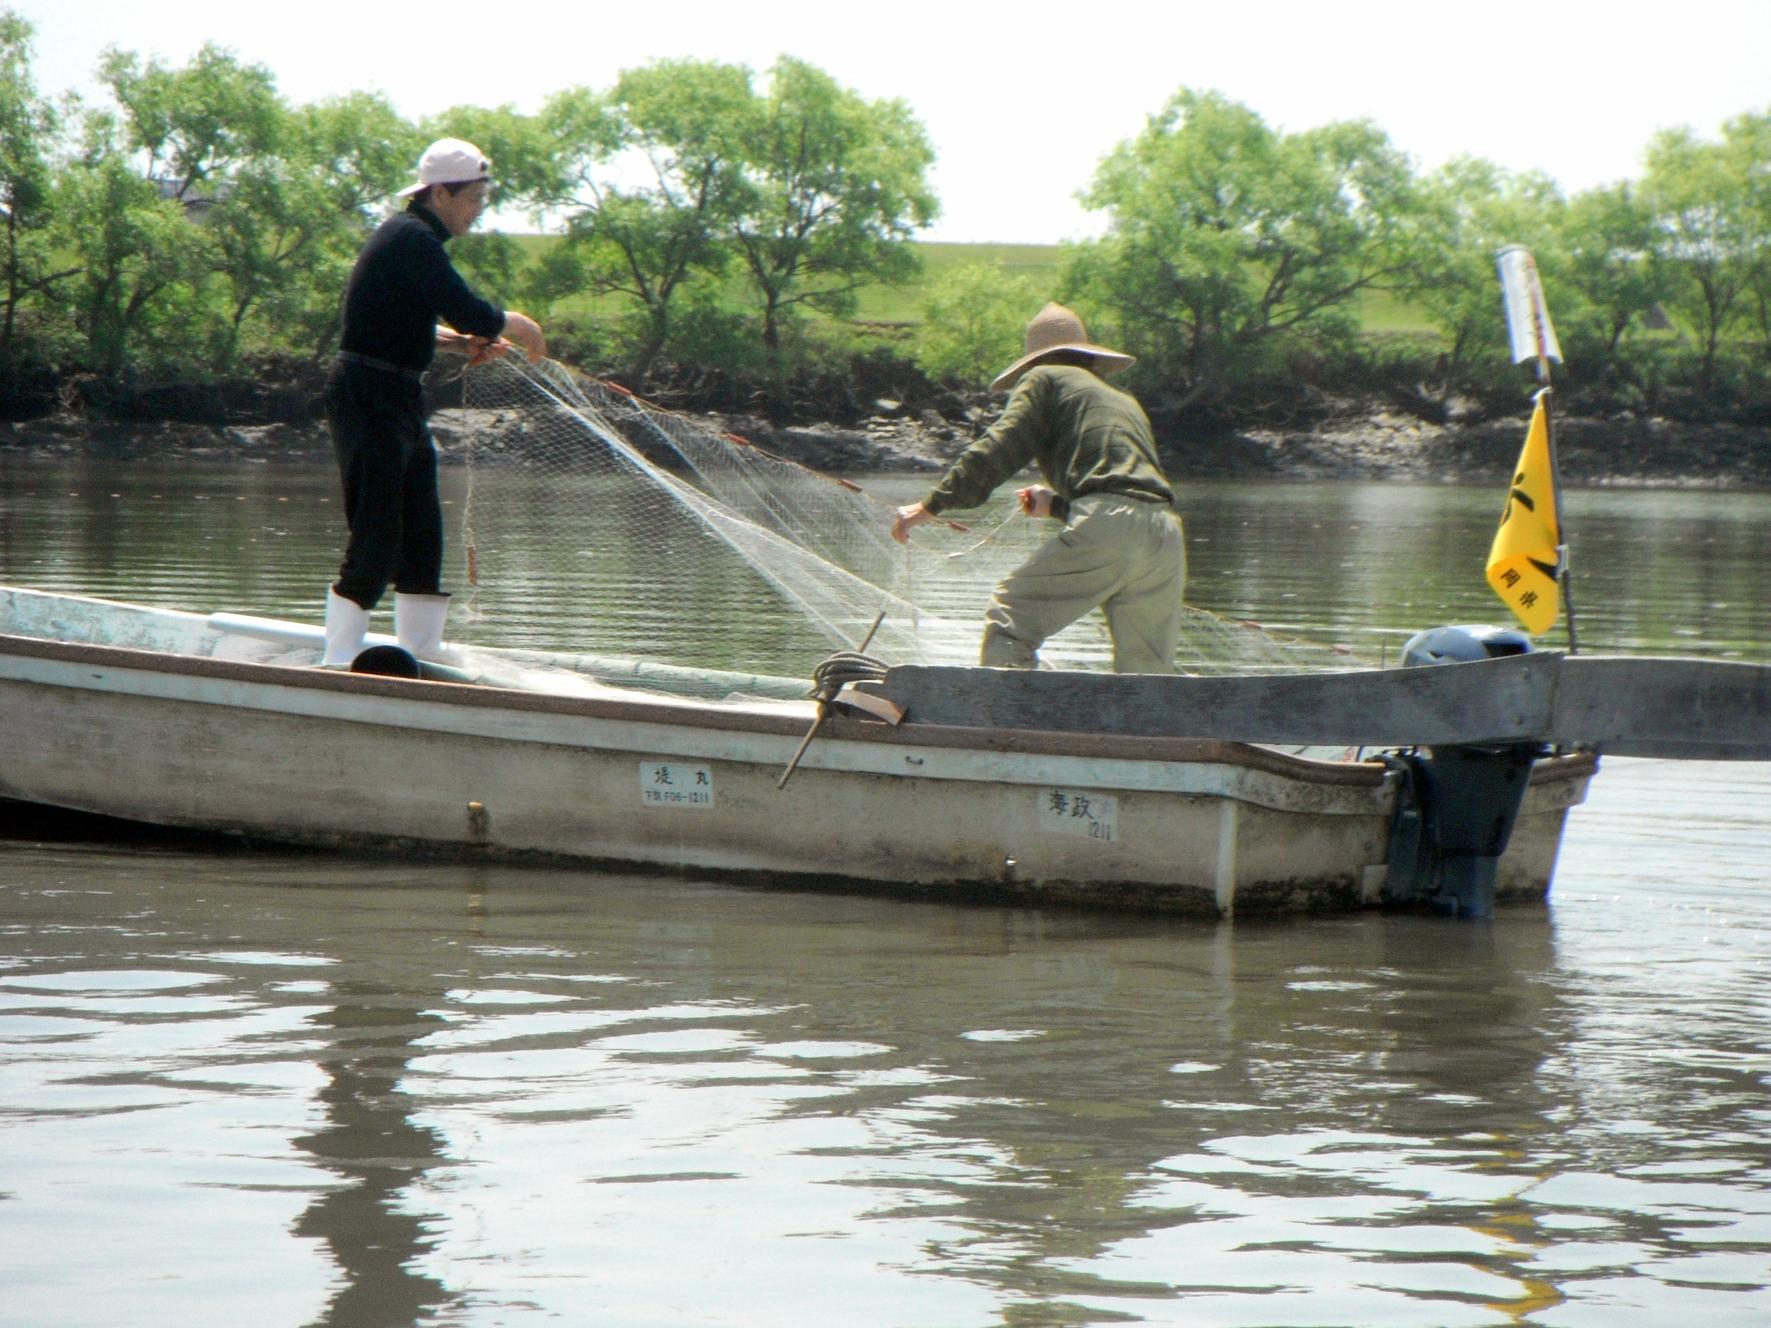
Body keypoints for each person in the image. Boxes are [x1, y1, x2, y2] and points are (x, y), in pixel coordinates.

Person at [321, 137, 547, 668]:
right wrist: (519, 326)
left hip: (398, 395)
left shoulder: (414, 242)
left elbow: (404, 316)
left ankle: (421, 653)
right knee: (377, 532)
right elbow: (468, 308)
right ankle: (338, 656)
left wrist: (456, 343)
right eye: (473, 200)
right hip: (367, 394)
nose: (478, 211)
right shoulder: (412, 238)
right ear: (439, 192)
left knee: (422, 533)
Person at [892, 302, 1185, 673]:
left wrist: (930, 506)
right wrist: (1060, 507)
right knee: (1147, 672)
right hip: (1166, 532)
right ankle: (1150, 731)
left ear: (1033, 361)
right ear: (1088, 357)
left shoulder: (1044, 377)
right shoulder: (1123, 399)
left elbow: (1002, 444)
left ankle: (1008, 726)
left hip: (1111, 526)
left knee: (1010, 617)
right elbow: (1132, 490)